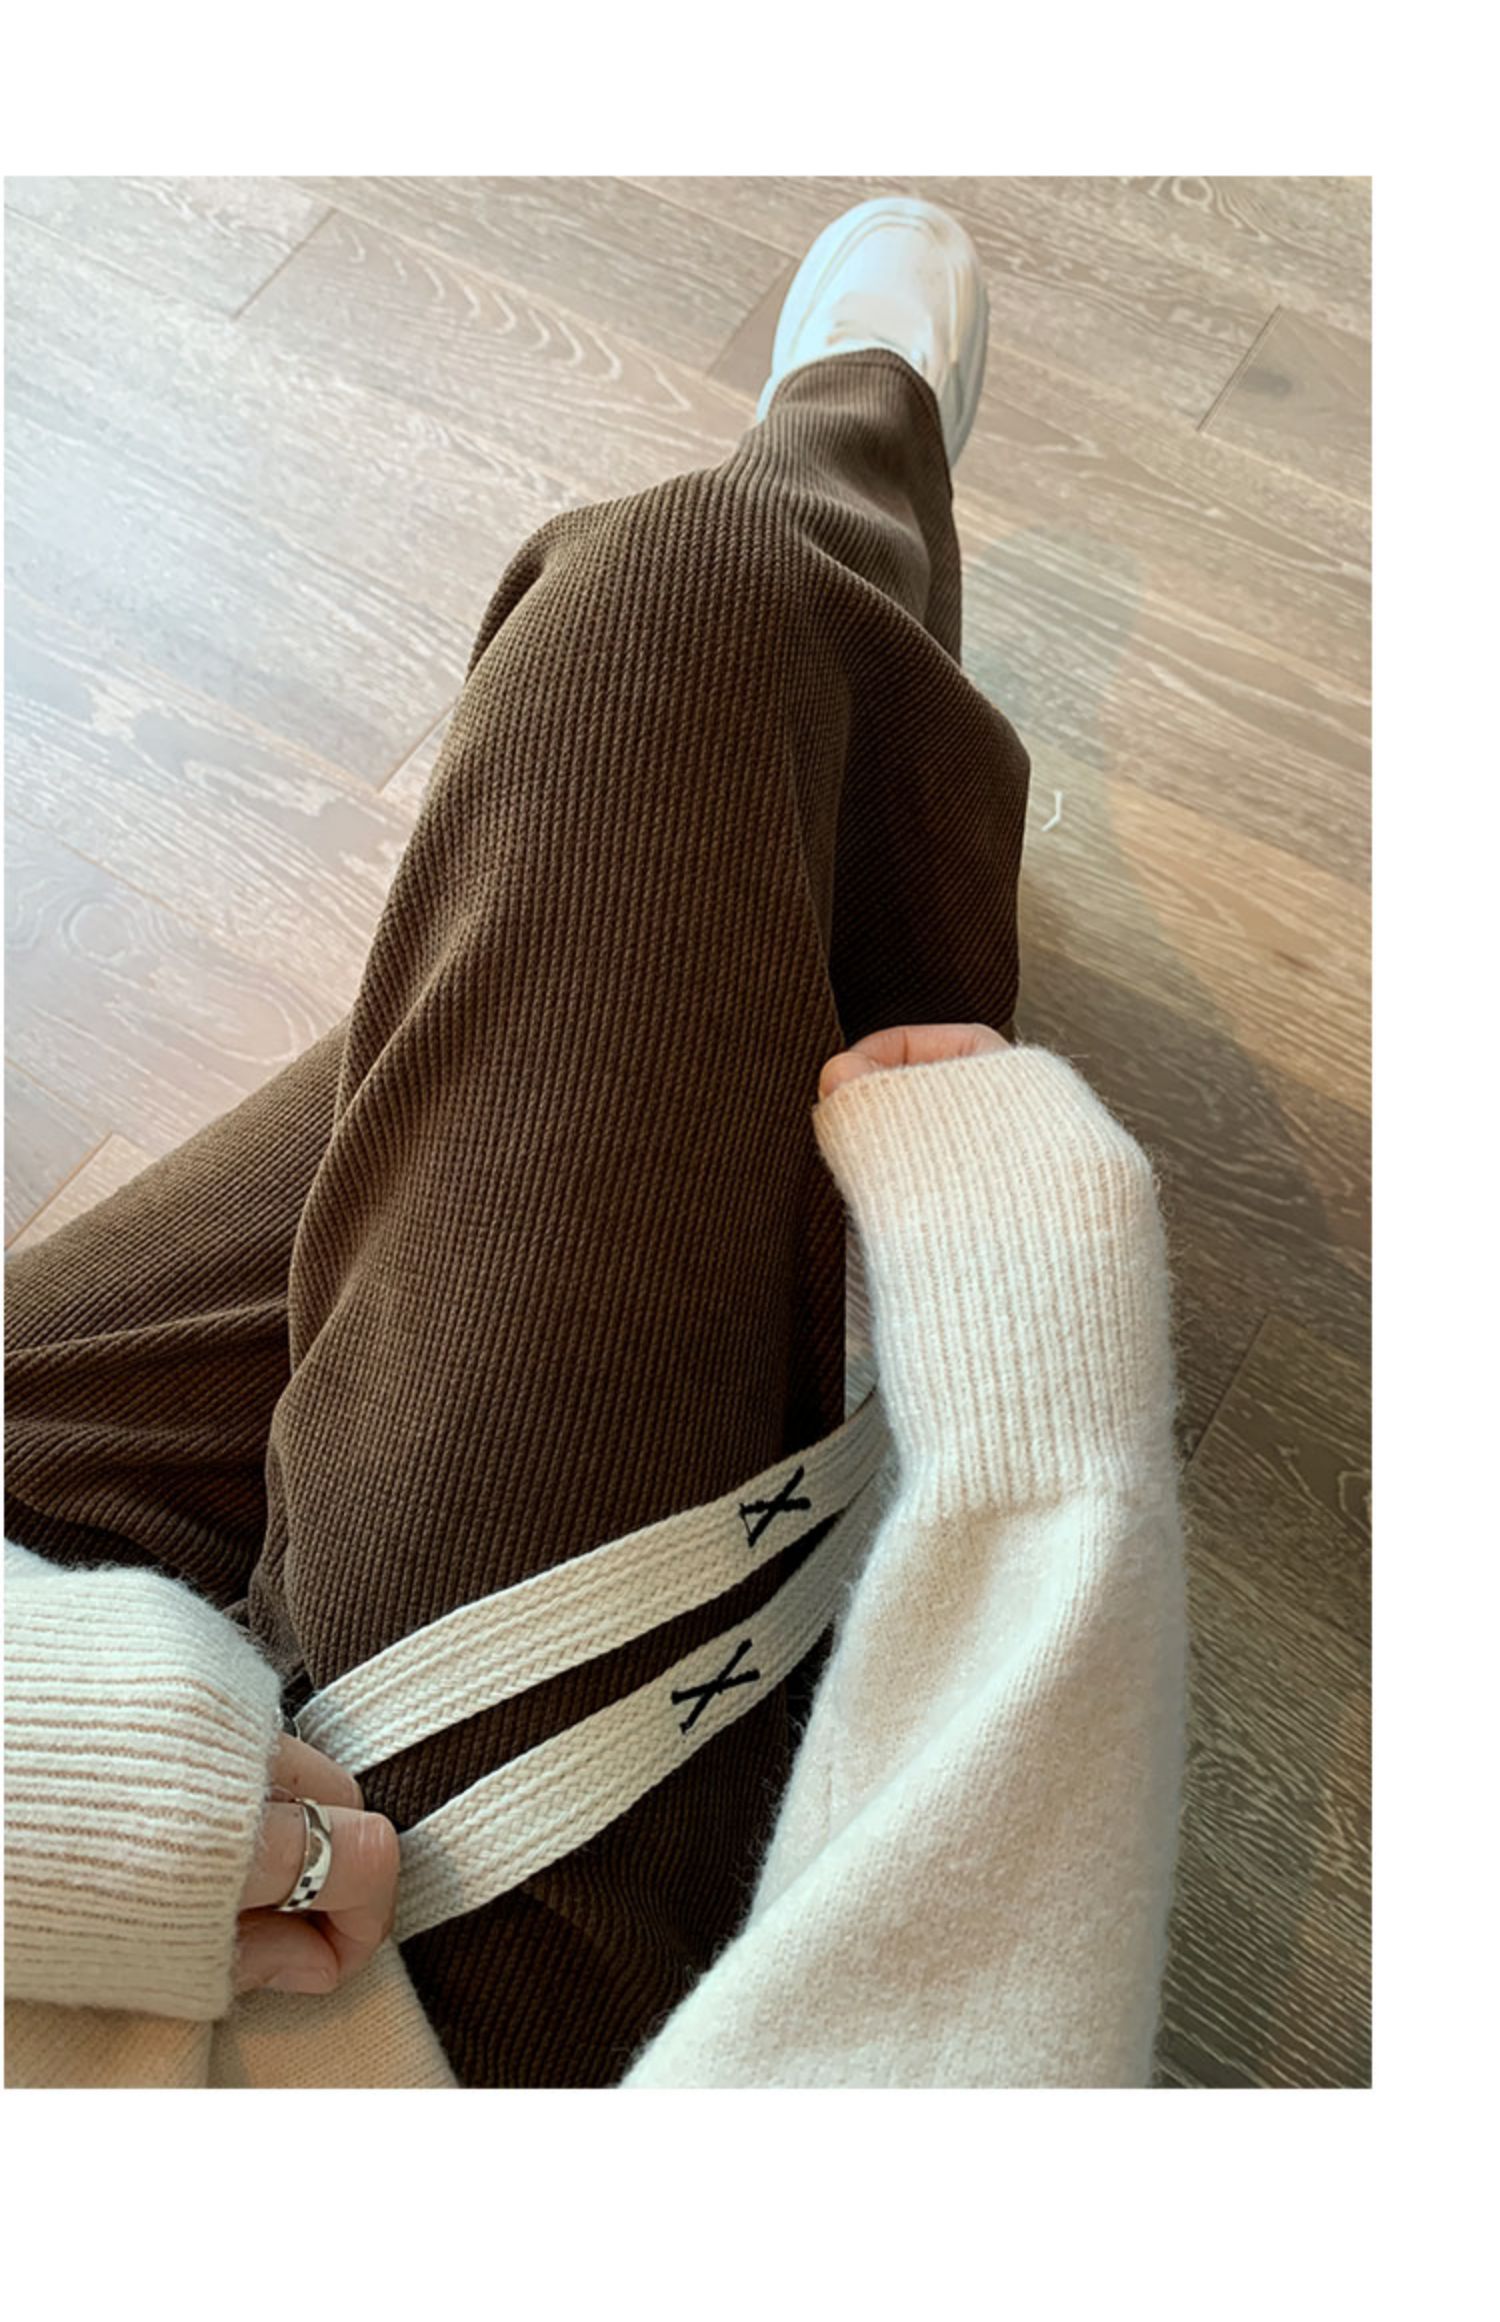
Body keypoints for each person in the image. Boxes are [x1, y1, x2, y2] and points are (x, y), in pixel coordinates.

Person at [3, 197, 1189, 2089]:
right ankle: (854, 444)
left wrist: (42, 1793)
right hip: (392, 2024)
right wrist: (1048, 1450)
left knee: (547, 945)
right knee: (676, 627)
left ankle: (792, 898)